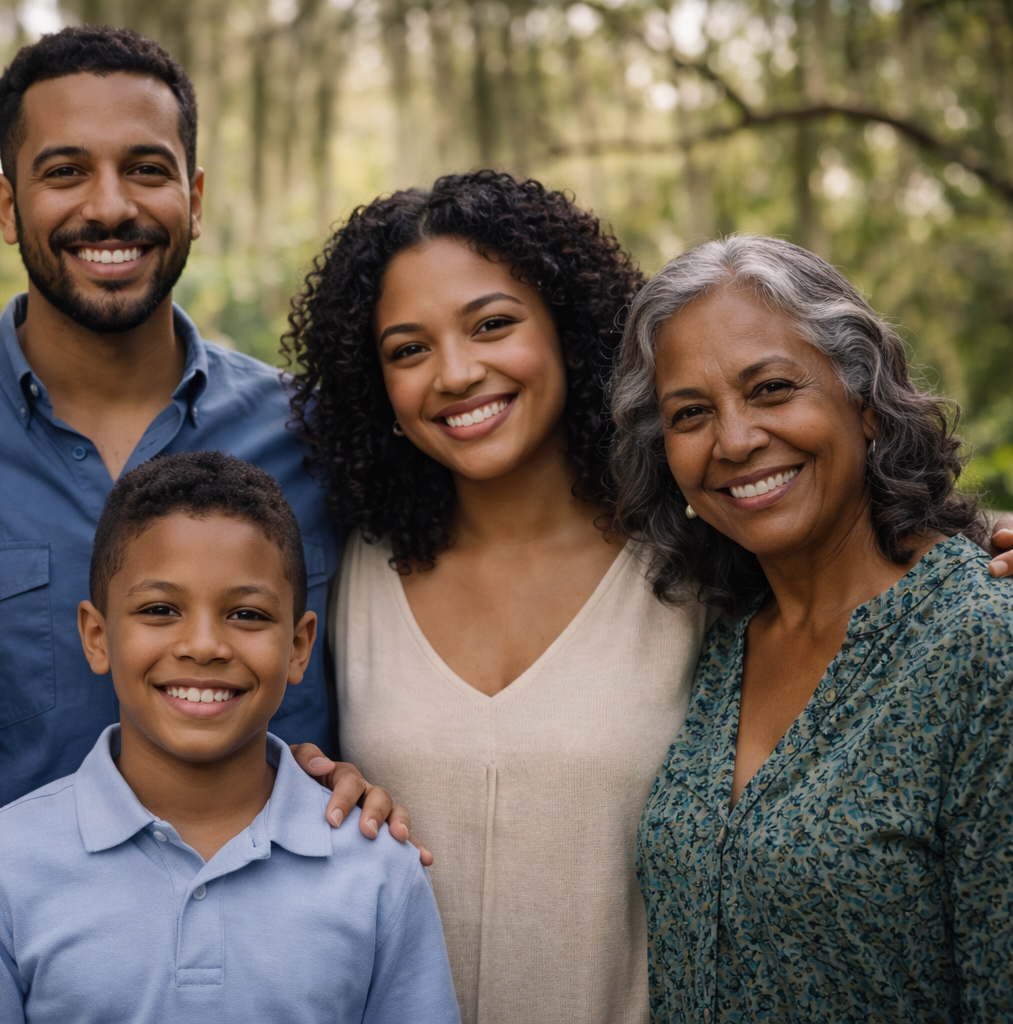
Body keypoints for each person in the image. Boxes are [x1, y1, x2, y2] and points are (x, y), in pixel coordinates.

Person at [0, 26, 418, 852]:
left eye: (146, 169)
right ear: (8, 207)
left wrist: (365, 774)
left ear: (196, 199)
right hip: (16, 955)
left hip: (286, 947)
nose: (109, 206)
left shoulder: (318, 434)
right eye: (65, 172)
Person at [282, 169, 706, 1024]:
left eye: (492, 325)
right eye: (409, 349)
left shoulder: (698, 563)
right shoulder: (346, 568)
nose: (456, 373)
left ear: (568, 330)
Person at [612, 234, 1013, 1021]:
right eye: (691, 413)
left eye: (770, 388)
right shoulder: (719, 638)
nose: (734, 440)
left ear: (864, 402)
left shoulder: (983, 646)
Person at [0, 452, 460, 1024]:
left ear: (300, 646)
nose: (203, 645)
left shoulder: (376, 868)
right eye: (160, 609)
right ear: (97, 637)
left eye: (247, 614)